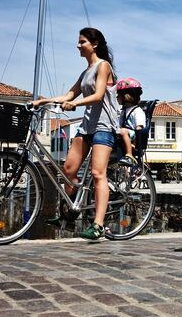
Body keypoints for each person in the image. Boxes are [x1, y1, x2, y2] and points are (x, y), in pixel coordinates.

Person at [31, 27, 120, 240]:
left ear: (94, 44)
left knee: (99, 174)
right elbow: (69, 94)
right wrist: (43, 101)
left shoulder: (103, 66)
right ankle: (68, 212)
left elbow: (98, 95)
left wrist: (75, 104)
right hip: (87, 127)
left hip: (104, 126)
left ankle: (98, 225)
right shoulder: (85, 72)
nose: (78, 45)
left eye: (82, 42)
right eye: (78, 42)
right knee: (68, 170)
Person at [115, 77, 146, 168]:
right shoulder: (124, 111)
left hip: (133, 135)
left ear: (126, 96)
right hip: (124, 134)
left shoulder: (137, 110)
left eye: (118, 95)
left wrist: (136, 142)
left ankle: (129, 155)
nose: (117, 97)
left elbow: (139, 126)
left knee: (123, 131)